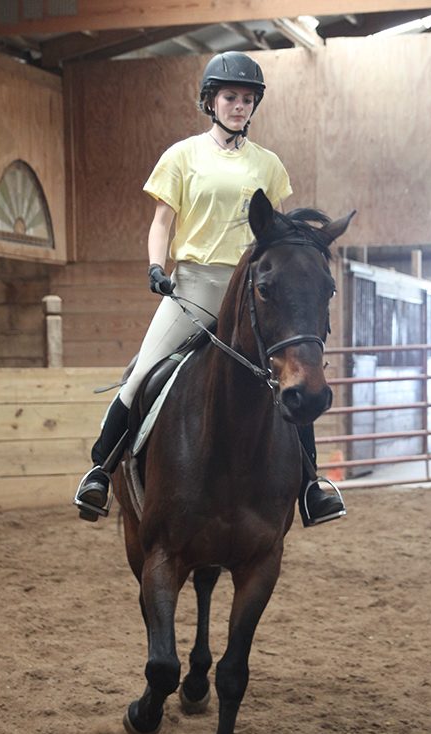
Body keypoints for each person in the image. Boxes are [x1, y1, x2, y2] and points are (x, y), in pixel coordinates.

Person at [74, 51, 346, 527]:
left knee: (290, 377)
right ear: (210, 101)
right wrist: (157, 267)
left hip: (251, 290)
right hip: (196, 285)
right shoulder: (182, 156)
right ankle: (99, 470)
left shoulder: (269, 164)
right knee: (141, 373)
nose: (239, 106)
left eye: (246, 99)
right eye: (230, 97)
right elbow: (162, 221)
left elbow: (276, 235)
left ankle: (311, 486)